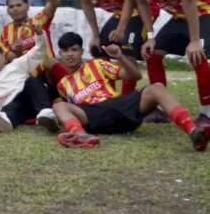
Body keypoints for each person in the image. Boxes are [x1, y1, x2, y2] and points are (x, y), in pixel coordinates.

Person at [49, 33, 210, 151]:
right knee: (59, 105)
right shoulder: (62, 84)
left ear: (81, 51)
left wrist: (120, 57)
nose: (69, 54)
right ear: (60, 54)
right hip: (92, 116)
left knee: (157, 88)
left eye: (74, 49)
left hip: (117, 107)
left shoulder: (97, 64)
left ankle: (193, 132)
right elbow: (70, 110)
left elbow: (135, 76)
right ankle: (80, 136)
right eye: (65, 51)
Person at [123, 0, 210, 127]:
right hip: (179, 17)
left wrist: (195, 41)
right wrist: (151, 36)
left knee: (198, 55)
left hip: (204, 11)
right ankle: (160, 108)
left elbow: (189, 1)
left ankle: (207, 113)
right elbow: (142, 2)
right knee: (152, 53)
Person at [1, 0, 59, 70]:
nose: (15, 9)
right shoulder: (4, 31)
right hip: (22, 75)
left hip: (46, 72)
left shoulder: (39, 20)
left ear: (28, 7)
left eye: (19, 5)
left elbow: (54, 2)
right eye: (11, 7)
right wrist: (17, 53)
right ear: (8, 11)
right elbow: (7, 59)